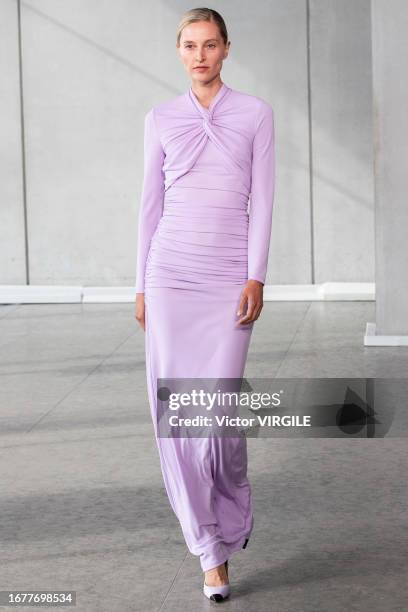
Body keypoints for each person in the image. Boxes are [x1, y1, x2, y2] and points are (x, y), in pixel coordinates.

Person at [134, 7, 275, 603]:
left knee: (216, 413)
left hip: (227, 280)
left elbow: (264, 199)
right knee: (176, 421)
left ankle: (231, 512)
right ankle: (207, 551)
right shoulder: (160, 118)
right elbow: (148, 205)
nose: (200, 55)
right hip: (170, 277)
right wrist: (141, 283)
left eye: (210, 44)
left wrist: (257, 277)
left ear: (226, 49)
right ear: (178, 51)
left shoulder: (256, 114)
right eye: (190, 45)